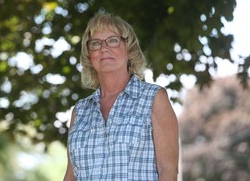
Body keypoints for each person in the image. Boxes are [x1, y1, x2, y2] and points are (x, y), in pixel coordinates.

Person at [63, 12, 179, 181]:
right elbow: (71, 176)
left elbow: (168, 170)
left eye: (113, 40)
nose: (104, 48)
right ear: (89, 55)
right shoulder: (79, 111)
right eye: (95, 43)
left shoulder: (154, 98)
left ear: (129, 48)